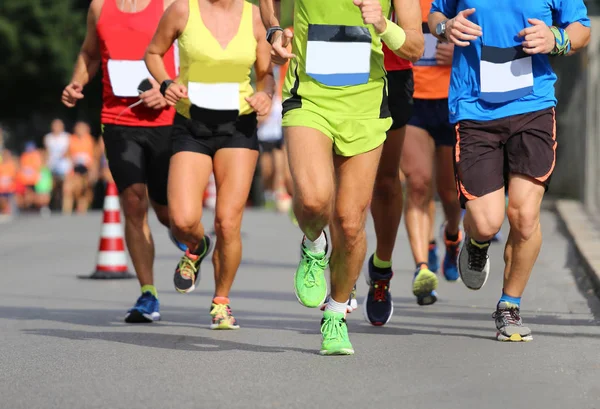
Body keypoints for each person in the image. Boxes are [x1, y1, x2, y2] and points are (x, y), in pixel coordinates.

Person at [260, 0, 424, 355]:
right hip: (309, 99)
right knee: (316, 199)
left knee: (351, 224)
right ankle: (315, 246)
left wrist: (383, 24)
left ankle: (335, 314)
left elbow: (415, 46)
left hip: (365, 107)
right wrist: (273, 30)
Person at [429, 0, 590, 341]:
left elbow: (582, 29)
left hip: (533, 105)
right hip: (475, 110)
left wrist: (556, 39)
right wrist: (445, 28)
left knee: (525, 215)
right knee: (487, 221)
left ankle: (509, 305)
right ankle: (476, 240)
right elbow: (435, 15)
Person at [145, 0, 274, 329]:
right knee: (182, 219)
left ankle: (221, 301)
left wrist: (265, 95)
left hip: (239, 126)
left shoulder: (254, 15)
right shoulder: (182, 10)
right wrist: (166, 84)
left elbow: (265, 74)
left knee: (228, 223)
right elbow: (153, 53)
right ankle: (197, 246)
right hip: (192, 125)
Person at [62, 0, 182, 323]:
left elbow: (196, 59)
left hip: (165, 120)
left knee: (168, 212)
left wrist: (166, 86)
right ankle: (148, 294)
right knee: (132, 202)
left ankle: (185, 232)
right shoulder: (100, 7)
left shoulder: (170, 4)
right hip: (118, 120)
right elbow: (89, 53)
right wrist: (77, 82)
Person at [398, 0, 463, 307]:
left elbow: (494, 36)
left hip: (453, 100)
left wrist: (460, 53)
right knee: (419, 182)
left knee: (450, 195)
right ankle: (422, 267)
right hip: (413, 100)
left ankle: (452, 237)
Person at [362, 8, 417, 326]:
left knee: (385, 180)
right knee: (339, 183)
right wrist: (274, 28)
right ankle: (340, 274)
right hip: (335, 61)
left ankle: (381, 269)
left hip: (392, 70)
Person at [257, 61, 292, 214]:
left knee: (281, 154)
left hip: (283, 106)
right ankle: (269, 191)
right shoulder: (264, 58)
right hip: (266, 109)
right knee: (267, 164)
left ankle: (280, 190)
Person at [64, 121, 96, 214]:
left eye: (82, 128)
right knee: (69, 190)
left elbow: (94, 157)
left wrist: (93, 171)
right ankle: (67, 212)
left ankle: (82, 211)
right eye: (78, 128)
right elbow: (67, 154)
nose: (80, 130)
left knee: (85, 191)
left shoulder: (90, 140)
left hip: (87, 169)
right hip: (74, 169)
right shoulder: (71, 139)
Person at [44, 119, 72, 209]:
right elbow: (47, 153)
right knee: (53, 190)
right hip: (52, 166)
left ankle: (66, 210)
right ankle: (54, 208)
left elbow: (69, 152)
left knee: (66, 189)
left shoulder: (67, 137)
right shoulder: (48, 138)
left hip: (65, 167)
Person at [16, 142, 43, 211]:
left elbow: (37, 168)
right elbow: (22, 168)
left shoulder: (36, 156)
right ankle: (27, 207)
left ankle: (35, 207)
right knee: (26, 195)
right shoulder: (24, 156)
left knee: (33, 194)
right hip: (26, 180)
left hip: (34, 181)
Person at [0, 149, 17, 215]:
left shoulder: (12, 165)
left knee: (8, 200)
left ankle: (8, 210)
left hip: (9, 188)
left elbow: (14, 176)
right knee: (2, 200)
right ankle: (4, 210)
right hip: (2, 188)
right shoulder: (1, 165)